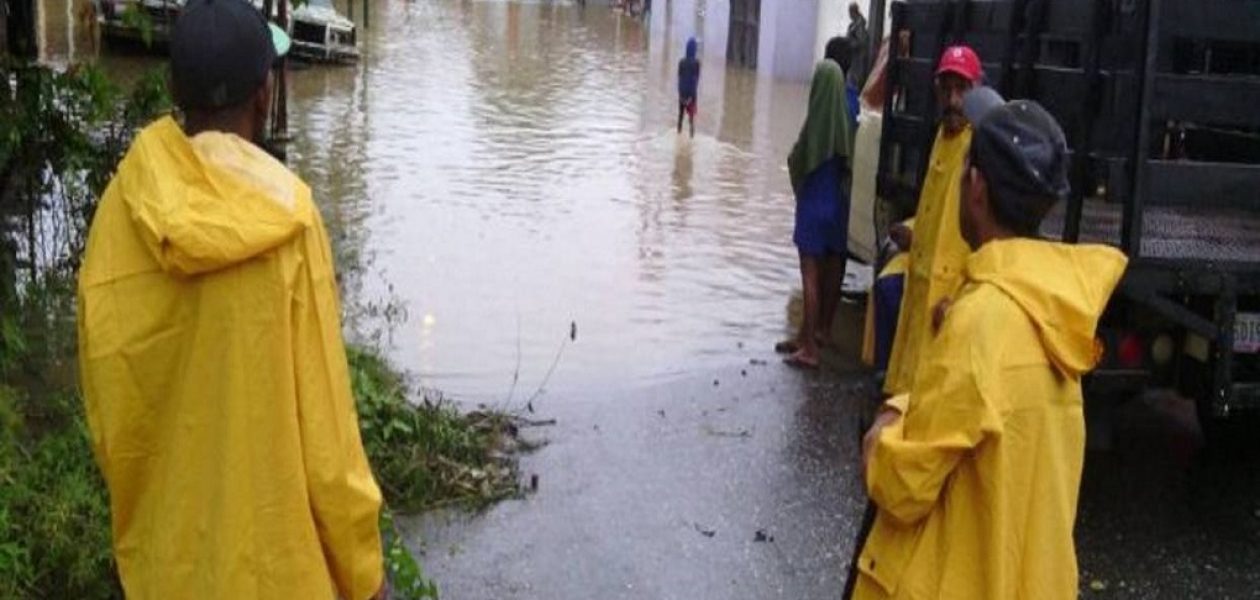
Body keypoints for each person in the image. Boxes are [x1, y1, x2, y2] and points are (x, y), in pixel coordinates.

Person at [77, 0, 387, 598]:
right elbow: (328, 441)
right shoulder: (291, 220)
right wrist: (365, 572)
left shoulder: (125, 202)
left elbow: (109, 396)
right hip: (277, 571)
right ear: (264, 94)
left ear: (173, 88)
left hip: (160, 570)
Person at [851, 87, 1128, 599]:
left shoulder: (981, 322)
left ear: (975, 186)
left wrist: (887, 427)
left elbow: (904, 487)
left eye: (964, 171)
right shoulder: (1057, 314)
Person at [881, 45, 981, 397]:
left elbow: (988, 238)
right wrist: (915, 233)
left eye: (962, 90)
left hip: (948, 298)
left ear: (977, 91)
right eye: (947, 88)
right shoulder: (943, 136)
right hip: (921, 286)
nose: (953, 99)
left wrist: (959, 297)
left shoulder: (978, 150)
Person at [777, 60, 855, 369]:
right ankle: (814, 333)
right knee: (830, 271)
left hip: (813, 206)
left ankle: (808, 348)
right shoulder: (846, 122)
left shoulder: (815, 127)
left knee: (809, 277)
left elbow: (797, 161)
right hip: (836, 206)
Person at [677, 37, 701, 138]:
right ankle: (691, 140)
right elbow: (696, 80)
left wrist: (681, 95)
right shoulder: (697, 63)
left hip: (682, 94)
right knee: (691, 120)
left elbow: (679, 78)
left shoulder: (681, 62)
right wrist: (691, 97)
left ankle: (678, 135)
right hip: (692, 94)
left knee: (680, 117)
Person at [847, 2, 870, 88]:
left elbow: (861, 41)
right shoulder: (854, 24)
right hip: (853, 57)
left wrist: (850, 44)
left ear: (854, 12)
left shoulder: (859, 25)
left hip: (858, 57)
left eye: (850, 12)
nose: (849, 15)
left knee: (855, 80)